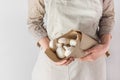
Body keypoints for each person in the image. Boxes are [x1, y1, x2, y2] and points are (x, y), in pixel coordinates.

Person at [27, 0, 115, 80]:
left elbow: (107, 17)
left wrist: (105, 46)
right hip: (53, 66)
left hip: (90, 64)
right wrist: (51, 53)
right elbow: (34, 22)